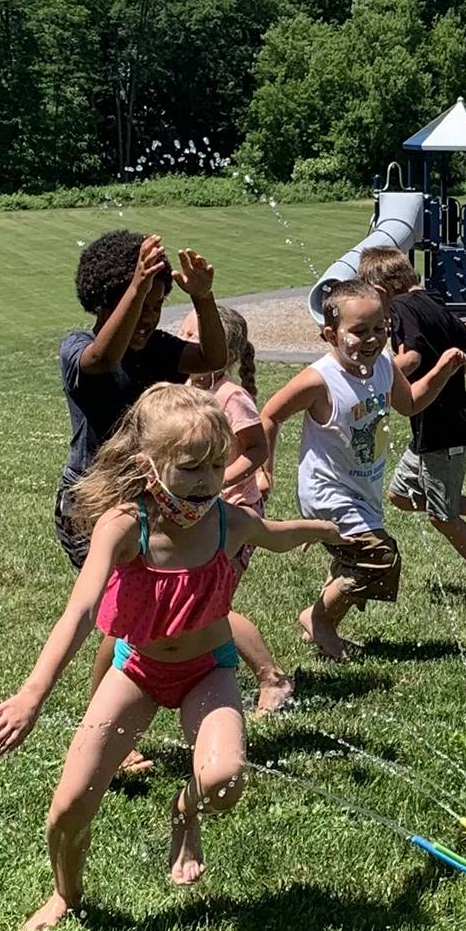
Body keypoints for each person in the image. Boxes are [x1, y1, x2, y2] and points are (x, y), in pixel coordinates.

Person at [0, 384, 340, 931]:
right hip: (138, 672)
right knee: (68, 810)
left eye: (217, 466)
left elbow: (274, 535)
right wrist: (32, 694)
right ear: (148, 465)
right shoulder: (125, 525)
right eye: (191, 468)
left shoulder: (225, 520)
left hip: (209, 669)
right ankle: (65, 895)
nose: (207, 482)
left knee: (224, 778)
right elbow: (80, 611)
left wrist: (325, 531)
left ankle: (184, 811)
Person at [56, 230, 226, 711]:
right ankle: (104, 720)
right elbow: (103, 361)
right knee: (122, 612)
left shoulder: (161, 350)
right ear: (102, 300)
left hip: (155, 498)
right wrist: (136, 284)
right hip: (92, 502)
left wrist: (204, 298)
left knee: (134, 611)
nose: (150, 316)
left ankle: (117, 713)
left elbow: (214, 358)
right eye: (139, 302)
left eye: (158, 304)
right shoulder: (78, 346)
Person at [259, 280, 466, 660]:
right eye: (358, 331)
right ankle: (319, 621)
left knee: (357, 561)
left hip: (362, 489)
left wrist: (442, 370)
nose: (371, 339)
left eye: (379, 329)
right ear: (330, 334)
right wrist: (264, 469)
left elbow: (410, 403)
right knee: (379, 557)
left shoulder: (384, 366)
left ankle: (322, 618)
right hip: (327, 491)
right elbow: (270, 415)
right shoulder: (319, 380)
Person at [356, 248, 466, 613]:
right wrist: (448, 377)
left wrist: (370, 373)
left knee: (442, 517)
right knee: (401, 496)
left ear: (381, 289)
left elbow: (412, 358)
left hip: (444, 429)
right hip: (436, 425)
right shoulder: (431, 301)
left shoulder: (401, 308)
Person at [168, 303, 295, 715]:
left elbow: (255, 451)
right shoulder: (186, 387)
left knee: (210, 604)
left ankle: (271, 677)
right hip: (200, 514)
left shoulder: (229, 396)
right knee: (199, 601)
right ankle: (207, 670)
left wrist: (216, 485)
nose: (183, 342)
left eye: (193, 337)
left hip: (231, 516)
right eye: (184, 334)